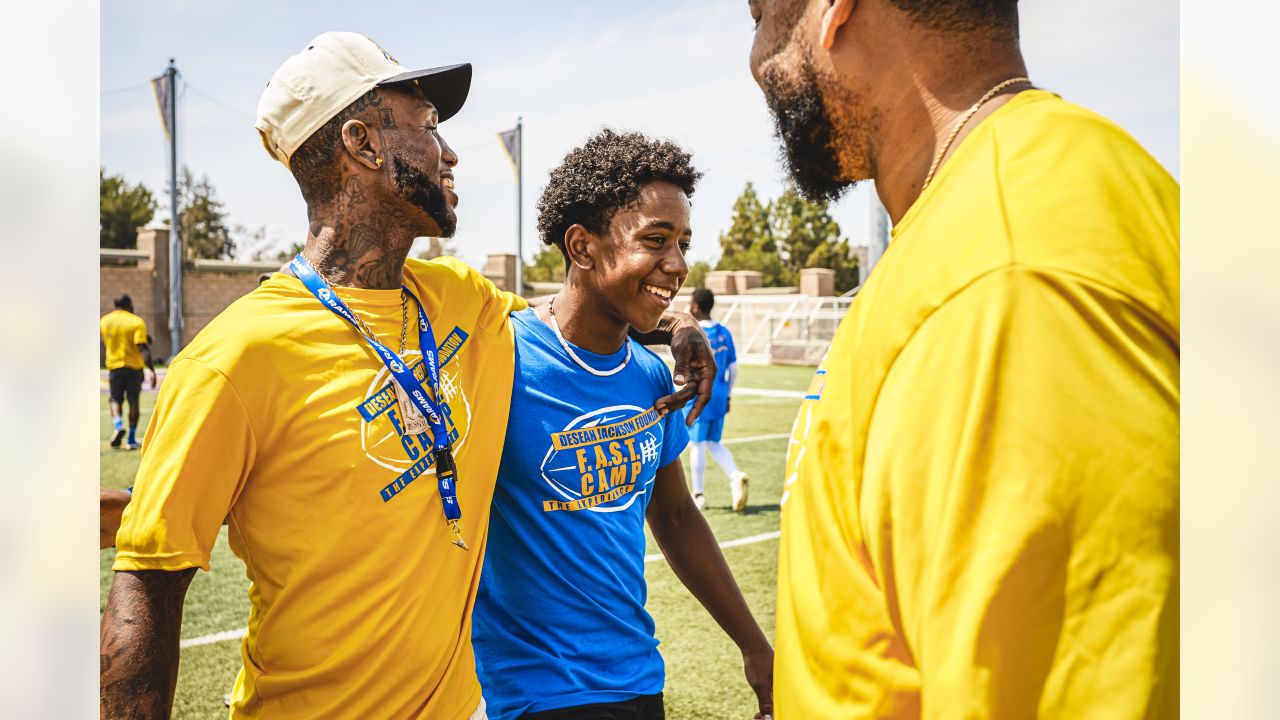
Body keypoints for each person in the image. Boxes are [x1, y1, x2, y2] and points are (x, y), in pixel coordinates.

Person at [99, 33, 714, 720]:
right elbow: (147, 591)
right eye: (427, 127)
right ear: (362, 143)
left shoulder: (462, 299)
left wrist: (679, 325)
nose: (449, 152)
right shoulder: (233, 359)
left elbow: (581, 310)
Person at [748, 1, 1178, 717]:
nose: (757, 60)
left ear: (833, 11)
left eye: (761, 17)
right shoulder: (995, 211)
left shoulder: (1007, 279)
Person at [471, 129, 773, 720]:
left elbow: (676, 515)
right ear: (582, 247)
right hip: (532, 693)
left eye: (683, 242)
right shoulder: (501, 358)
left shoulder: (651, 377)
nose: (678, 264)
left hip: (636, 678)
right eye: (655, 241)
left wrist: (754, 646)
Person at [684, 288, 748, 512]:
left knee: (697, 445)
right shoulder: (724, 332)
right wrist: (728, 394)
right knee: (712, 442)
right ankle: (735, 475)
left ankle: (698, 494)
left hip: (700, 396)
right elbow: (734, 368)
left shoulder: (693, 333)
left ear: (694, 307)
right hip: (719, 395)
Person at [100, 294, 156, 449]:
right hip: (133, 368)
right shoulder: (136, 321)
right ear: (129, 305)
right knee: (133, 402)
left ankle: (118, 425)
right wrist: (151, 369)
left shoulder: (104, 321)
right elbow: (141, 346)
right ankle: (131, 439)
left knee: (114, 399)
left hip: (114, 366)